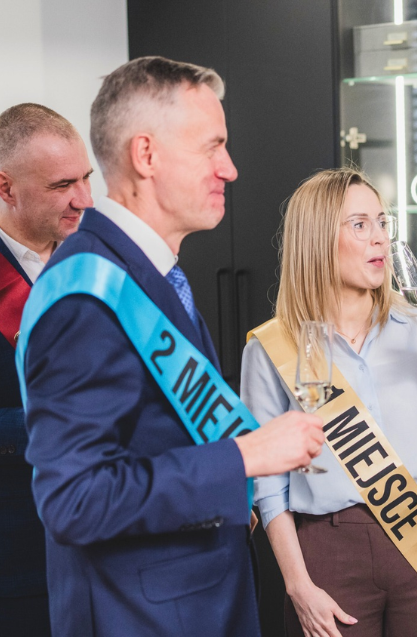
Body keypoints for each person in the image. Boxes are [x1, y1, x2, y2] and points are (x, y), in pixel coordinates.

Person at [19, 56, 326, 636]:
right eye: (212, 147)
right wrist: (244, 458)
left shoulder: (150, 273)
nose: (229, 169)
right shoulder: (86, 295)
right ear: (146, 155)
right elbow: (74, 500)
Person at [241, 168, 417, 637]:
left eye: (382, 223)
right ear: (316, 240)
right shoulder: (272, 348)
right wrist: (297, 585)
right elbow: (267, 486)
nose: (380, 239)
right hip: (328, 553)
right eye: (359, 224)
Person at [0, 103, 92, 637]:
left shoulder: (104, 261)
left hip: (110, 549)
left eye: (86, 178)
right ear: (6, 188)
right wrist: (48, 426)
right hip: (20, 563)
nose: (84, 198)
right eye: (62, 185)